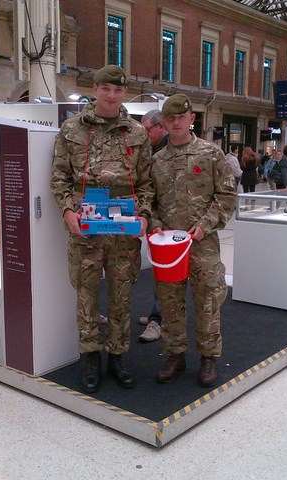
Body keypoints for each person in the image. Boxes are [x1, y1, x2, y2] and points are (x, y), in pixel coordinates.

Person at [51, 65, 153, 393]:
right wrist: (67, 209)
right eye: (106, 89)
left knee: (122, 296)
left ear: (124, 92)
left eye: (118, 90)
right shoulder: (71, 129)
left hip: (122, 228)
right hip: (86, 228)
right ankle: (91, 357)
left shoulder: (136, 134)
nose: (112, 95)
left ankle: (118, 357)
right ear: (95, 88)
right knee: (87, 295)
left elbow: (148, 183)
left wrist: (146, 216)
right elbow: (59, 177)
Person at [149, 94, 236, 388]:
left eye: (181, 118)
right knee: (170, 301)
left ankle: (209, 357)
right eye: (170, 119)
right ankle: (175, 354)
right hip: (168, 246)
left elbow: (226, 196)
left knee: (208, 299)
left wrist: (204, 225)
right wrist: (155, 223)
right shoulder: (157, 161)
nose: (175, 123)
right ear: (164, 122)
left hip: (202, 243)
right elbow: (149, 200)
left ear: (191, 119)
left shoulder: (211, 154)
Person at [137, 109, 169, 343]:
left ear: (161, 126)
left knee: (167, 275)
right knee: (159, 272)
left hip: (170, 224)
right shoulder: (152, 151)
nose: (144, 134)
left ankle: (159, 320)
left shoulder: (166, 153)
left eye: (147, 129)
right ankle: (158, 315)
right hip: (156, 220)